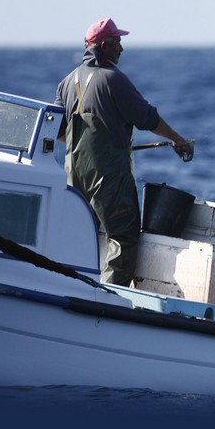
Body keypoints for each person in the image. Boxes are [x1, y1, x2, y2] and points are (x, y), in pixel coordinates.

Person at [55, 17, 194, 287]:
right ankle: (110, 296)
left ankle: (75, 288)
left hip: (74, 175)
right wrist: (178, 140)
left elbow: (59, 131)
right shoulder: (113, 79)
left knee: (82, 235)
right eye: (118, 43)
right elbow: (147, 118)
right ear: (104, 46)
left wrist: (87, 146)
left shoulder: (67, 82)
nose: (121, 49)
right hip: (109, 176)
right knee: (123, 236)